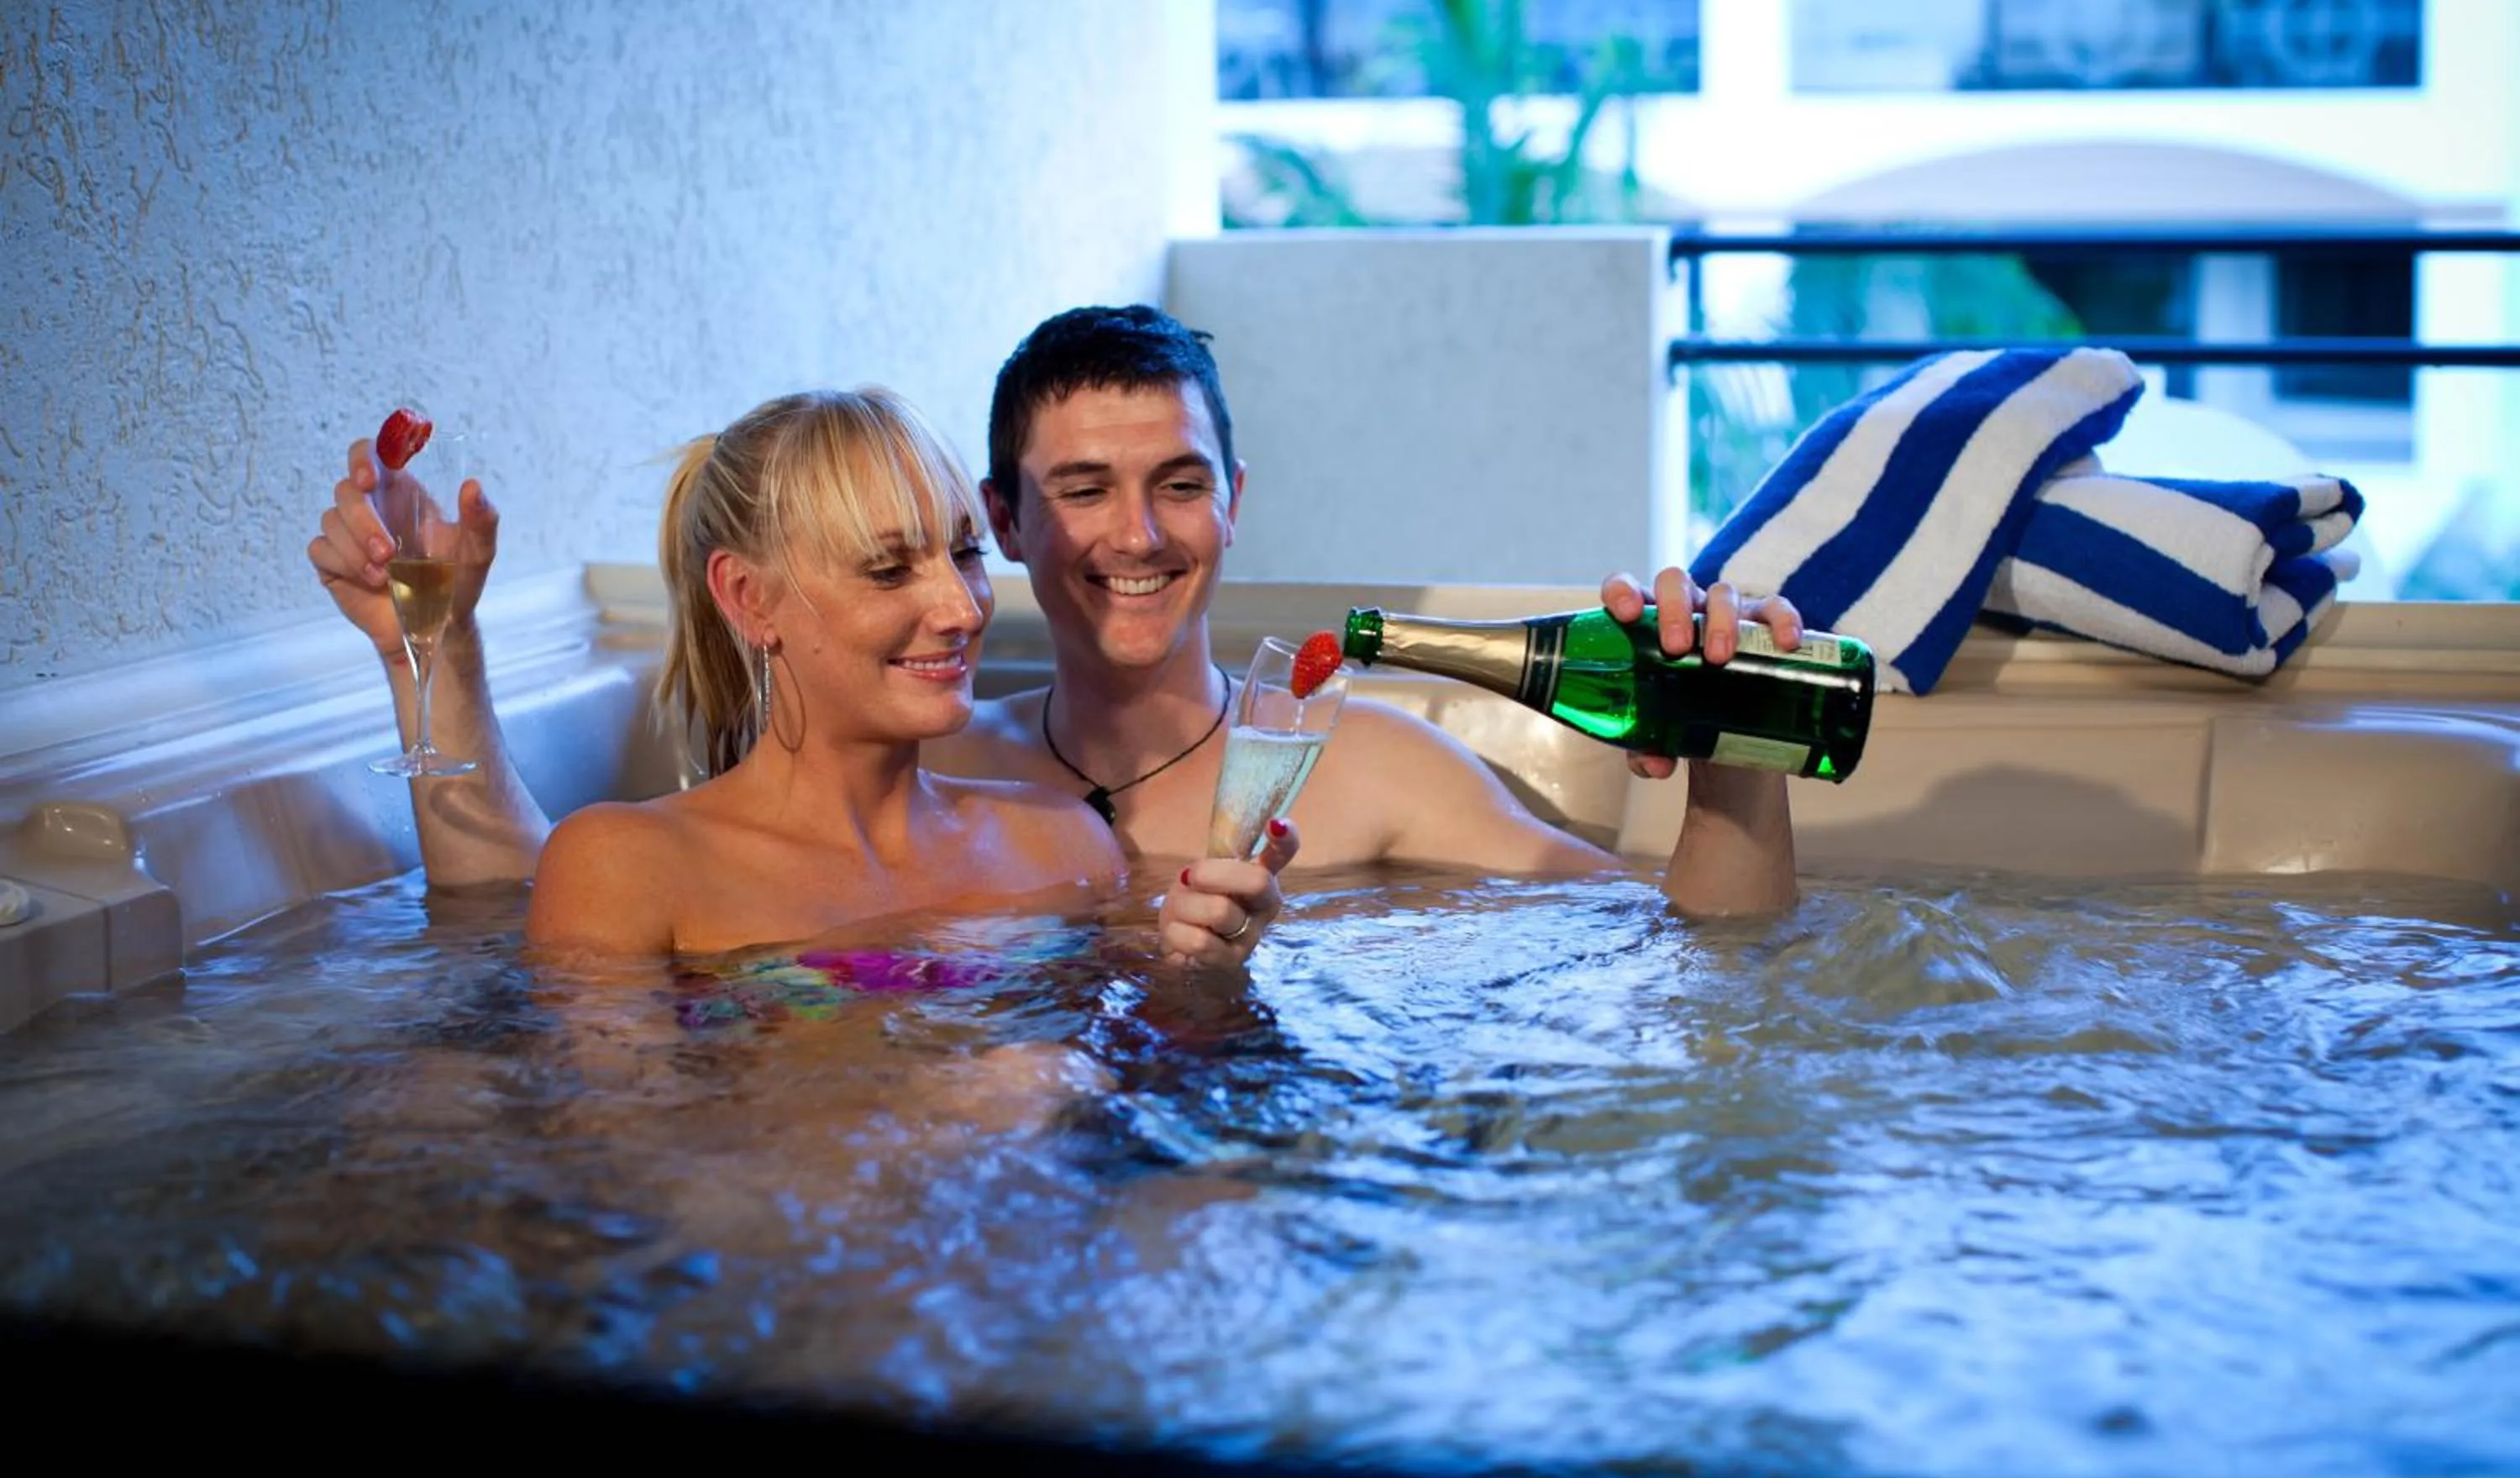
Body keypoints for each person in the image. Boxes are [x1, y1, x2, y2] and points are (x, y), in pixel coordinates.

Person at [310, 307, 1803, 960]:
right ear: (1014, 522)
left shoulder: (1376, 774)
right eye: (1080, 492)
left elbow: (1676, 953)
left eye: (1180, 487)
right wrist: (429, 647)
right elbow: (516, 894)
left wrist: (1740, 758)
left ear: (1235, 505)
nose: (1137, 537)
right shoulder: (931, 750)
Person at [314, 387, 1292, 962]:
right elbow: (623, 1166)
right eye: (888, 567)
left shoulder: (1062, 843)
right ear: (749, 598)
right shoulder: (628, 865)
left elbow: (1157, 1108)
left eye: (962, 554)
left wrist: (1205, 975)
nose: (962, 606)